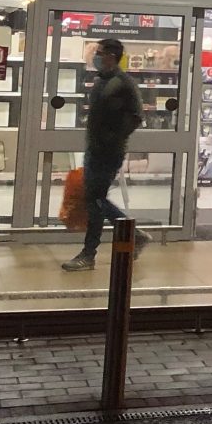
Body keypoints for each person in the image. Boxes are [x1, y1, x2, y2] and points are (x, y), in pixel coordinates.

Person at [62, 37, 149, 271]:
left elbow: (135, 117)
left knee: (95, 200)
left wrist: (112, 139)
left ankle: (92, 252)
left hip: (108, 152)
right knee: (95, 201)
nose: (96, 56)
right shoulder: (101, 80)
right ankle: (104, 246)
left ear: (111, 56)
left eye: (99, 52)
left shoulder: (123, 83)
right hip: (95, 150)